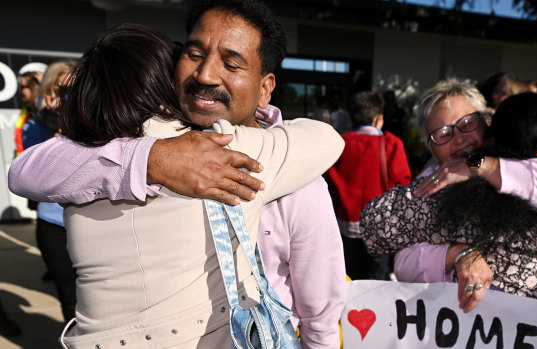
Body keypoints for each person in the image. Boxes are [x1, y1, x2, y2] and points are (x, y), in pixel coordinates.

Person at [10, 1, 346, 347]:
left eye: (231, 64)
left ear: (264, 88)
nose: (205, 75)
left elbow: (320, 311)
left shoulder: (295, 171)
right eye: (194, 54)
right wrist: (152, 157)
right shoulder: (125, 144)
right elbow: (25, 171)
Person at [360, 78, 537, 312]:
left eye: (467, 123)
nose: (460, 138)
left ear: (487, 122)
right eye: (443, 134)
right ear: (430, 149)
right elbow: (403, 263)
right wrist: (457, 253)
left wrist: (482, 165)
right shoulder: (432, 186)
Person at [325, 91, 411, 280]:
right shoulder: (392, 143)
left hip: (345, 226)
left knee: (348, 280)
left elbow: (327, 184)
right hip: (379, 228)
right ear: (378, 119)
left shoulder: (339, 143)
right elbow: (403, 184)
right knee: (375, 283)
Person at [20, 60, 79, 323]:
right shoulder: (35, 127)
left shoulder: (94, 124)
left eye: (74, 89)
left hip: (88, 218)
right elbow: (36, 179)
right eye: (61, 89)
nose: (67, 96)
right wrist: (55, 130)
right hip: (53, 222)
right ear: (50, 91)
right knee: (70, 297)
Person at [15, 62, 47, 157]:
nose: (20, 91)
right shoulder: (26, 114)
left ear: (36, 86)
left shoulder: (52, 113)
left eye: (23, 87)